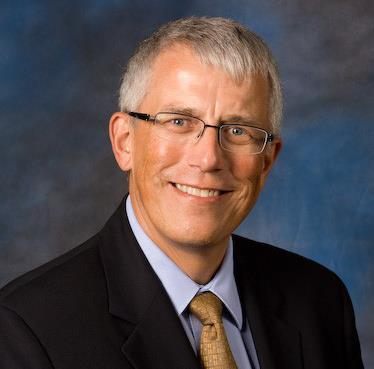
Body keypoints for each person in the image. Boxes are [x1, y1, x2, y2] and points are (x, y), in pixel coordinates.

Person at [0, 17, 363, 369]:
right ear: (124, 141)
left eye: (238, 130)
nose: (208, 159)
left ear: (266, 162)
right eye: (178, 122)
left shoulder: (320, 302)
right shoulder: (26, 329)